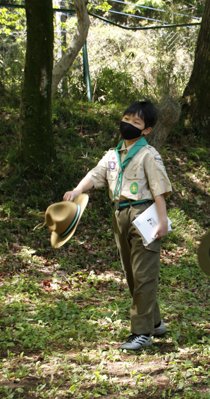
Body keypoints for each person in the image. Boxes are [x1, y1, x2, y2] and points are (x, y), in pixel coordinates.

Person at [64, 100, 172, 350]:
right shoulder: (113, 155)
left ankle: (141, 333)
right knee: (132, 274)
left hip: (145, 213)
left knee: (145, 274)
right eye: (127, 119)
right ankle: (154, 322)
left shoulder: (148, 154)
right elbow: (96, 175)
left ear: (146, 130)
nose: (129, 125)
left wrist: (163, 220)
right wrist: (77, 189)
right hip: (120, 214)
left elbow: (160, 189)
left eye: (136, 122)